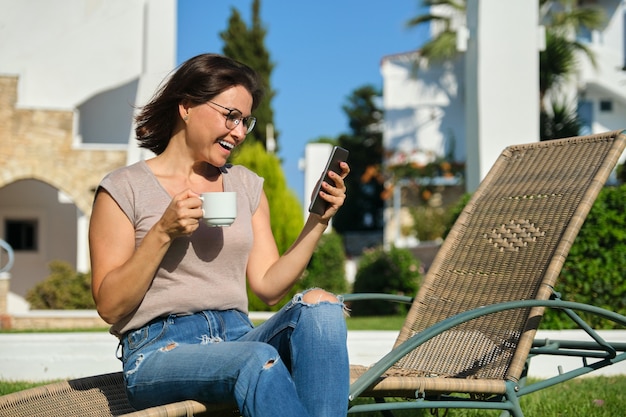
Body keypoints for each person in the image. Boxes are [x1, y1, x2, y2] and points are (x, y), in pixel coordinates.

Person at [89, 53, 351, 417]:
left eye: (245, 121)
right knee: (258, 359)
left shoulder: (244, 184)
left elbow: (268, 287)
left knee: (321, 308)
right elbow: (109, 306)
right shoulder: (123, 188)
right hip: (159, 350)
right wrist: (163, 232)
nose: (240, 132)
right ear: (186, 106)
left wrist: (318, 221)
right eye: (231, 116)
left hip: (239, 337)